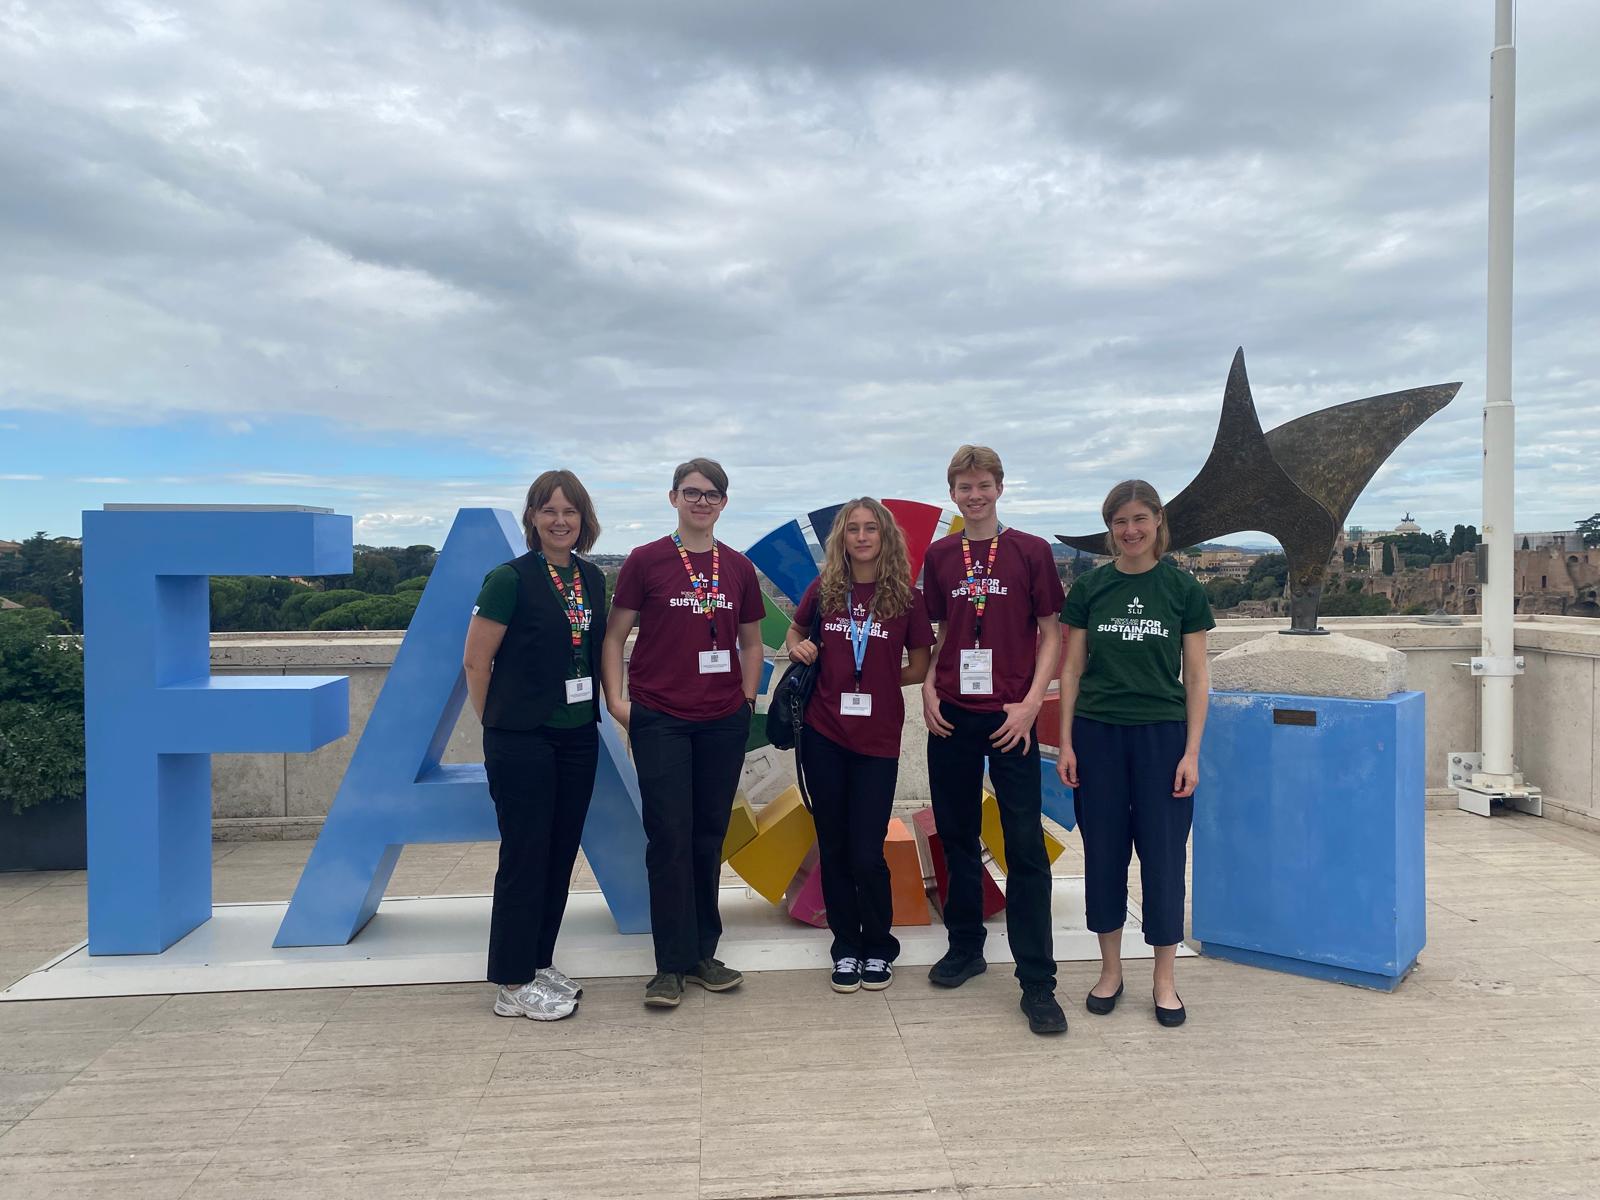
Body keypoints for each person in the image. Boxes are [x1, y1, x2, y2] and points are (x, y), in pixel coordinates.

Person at [601, 458, 766, 1009]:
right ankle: (669, 964)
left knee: (707, 836)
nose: (701, 502)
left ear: (723, 503)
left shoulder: (738, 568)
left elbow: (750, 642)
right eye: (691, 493)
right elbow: (615, 635)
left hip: (722, 720)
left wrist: (745, 699)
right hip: (661, 719)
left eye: (712, 494)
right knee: (668, 837)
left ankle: (703, 953)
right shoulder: (646, 562)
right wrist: (618, 702)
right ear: (673, 497)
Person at [921, 445, 1067, 1035]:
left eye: (983, 485)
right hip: (953, 712)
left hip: (1012, 717)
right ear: (952, 493)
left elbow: (1052, 635)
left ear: (999, 488)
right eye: (963, 486)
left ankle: (1037, 982)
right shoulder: (938, 557)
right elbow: (934, 635)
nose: (974, 495)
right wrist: (928, 689)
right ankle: (966, 947)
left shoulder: (1030, 551)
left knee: (1024, 847)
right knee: (956, 836)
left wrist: (1032, 704)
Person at [1056, 479, 1213, 1028]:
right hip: (1098, 735)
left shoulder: (1182, 589)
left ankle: (1164, 979)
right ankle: (1110, 970)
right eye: (1120, 522)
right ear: (1110, 529)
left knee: (1164, 856)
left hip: (1162, 737)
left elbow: (1195, 675)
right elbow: (1071, 669)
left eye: (1139, 519)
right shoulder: (1090, 589)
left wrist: (1192, 752)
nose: (1130, 531)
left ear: (1157, 523)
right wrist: (1067, 742)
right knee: (1103, 854)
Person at [464, 469, 608, 1021]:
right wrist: (496, 722)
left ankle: (538, 960)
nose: (560, 520)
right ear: (532, 518)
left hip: (576, 734)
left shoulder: (592, 580)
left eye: (570, 511)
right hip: (521, 737)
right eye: (549, 510)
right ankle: (511, 980)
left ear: (584, 520)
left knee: (559, 853)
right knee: (525, 857)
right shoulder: (509, 579)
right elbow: (477, 661)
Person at [785, 499, 933, 994]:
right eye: (854, 529)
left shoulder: (906, 598)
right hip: (825, 736)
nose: (863, 536)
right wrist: (799, 648)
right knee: (836, 847)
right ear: (842, 538)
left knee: (868, 852)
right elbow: (794, 632)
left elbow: (919, 664)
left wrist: (881, 679)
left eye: (872, 528)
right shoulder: (825, 590)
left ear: (885, 537)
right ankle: (845, 948)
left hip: (877, 741)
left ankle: (878, 946)